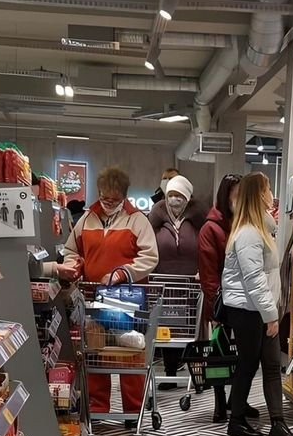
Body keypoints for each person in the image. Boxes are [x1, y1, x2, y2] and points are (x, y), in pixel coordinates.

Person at [55, 167, 158, 421]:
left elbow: (150, 257)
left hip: (129, 300)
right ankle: (98, 407)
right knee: (95, 352)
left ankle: (134, 411)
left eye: (114, 199)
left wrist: (123, 272)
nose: (108, 204)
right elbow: (71, 250)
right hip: (93, 297)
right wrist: (74, 265)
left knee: (131, 354)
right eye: (104, 198)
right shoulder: (87, 218)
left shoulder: (137, 220)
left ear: (124, 196)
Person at [218, 172, 293, 436]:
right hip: (248, 310)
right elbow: (254, 279)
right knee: (249, 363)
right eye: (268, 189)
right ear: (259, 195)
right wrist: (271, 315)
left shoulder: (260, 229)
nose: (271, 195)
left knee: (271, 364)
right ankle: (237, 420)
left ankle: (277, 424)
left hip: (259, 308)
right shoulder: (249, 234)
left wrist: (270, 311)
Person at [198, 174, 258, 424]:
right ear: (226, 196)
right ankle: (220, 402)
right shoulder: (210, 228)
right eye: (235, 194)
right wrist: (216, 308)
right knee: (219, 355)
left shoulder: (244, 223)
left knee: (244, 355)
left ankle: (237, 400)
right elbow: (208, 273)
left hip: (244, 302)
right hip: (221, 304)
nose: (239, 200)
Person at [149, 174, 209, 388]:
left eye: (180, 196)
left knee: (195, 330)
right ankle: (170, 372)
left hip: (192, 284)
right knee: (168, 329)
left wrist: (204, 271)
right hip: (165, 284)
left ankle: (199, 374)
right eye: (171, 195)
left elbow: (207, 247)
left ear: (187, 198)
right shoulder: (156, 217)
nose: (175, 199)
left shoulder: (199, 218)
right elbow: (146, 246)